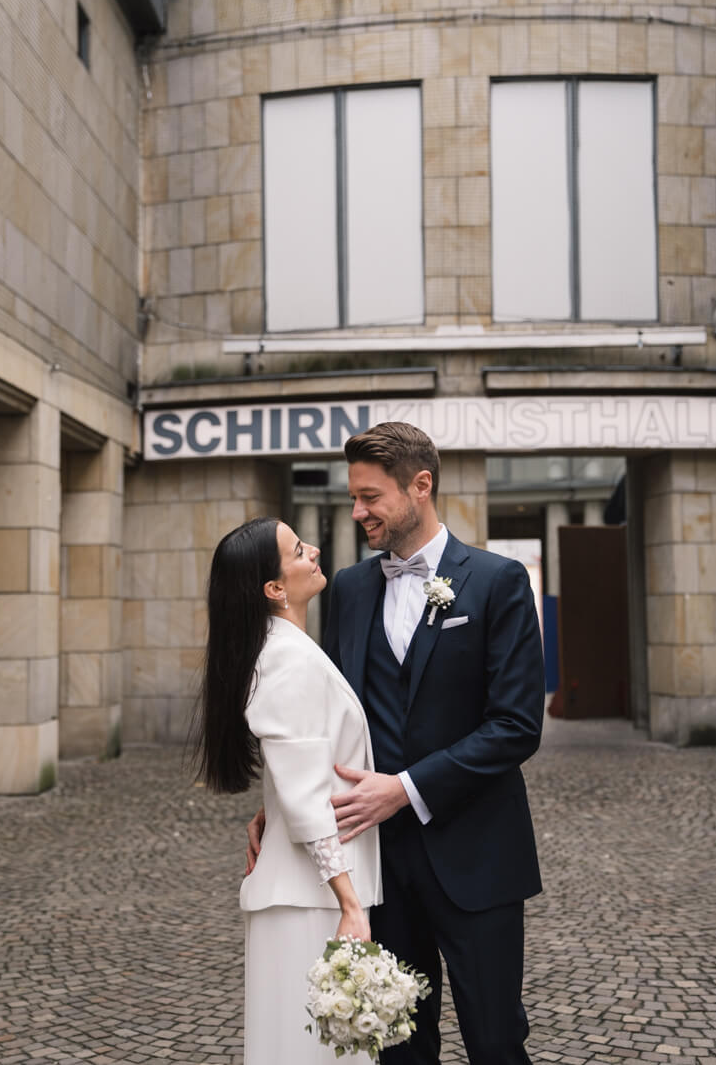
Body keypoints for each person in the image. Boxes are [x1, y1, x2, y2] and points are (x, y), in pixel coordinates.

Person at [250, 422, 544, 1064]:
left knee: (496, 1041)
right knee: (399, 1045)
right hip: (378, 861)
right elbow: (327, 718)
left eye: (371, 497)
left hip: (478, 855)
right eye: (353, 497)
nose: (357, 512)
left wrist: (406, 788)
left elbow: (518, 725)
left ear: (421, 486)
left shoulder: (498, 581)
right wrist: (280, 804)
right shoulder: (350, 589)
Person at [194, 516, 381, 1065]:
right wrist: (349, 905)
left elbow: (297, 772)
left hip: (307, 893)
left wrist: (269, 804)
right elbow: (305, 797)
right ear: (274, 589)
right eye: (299, 550)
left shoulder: (285, 649)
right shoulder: (287, 659)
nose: (315, 550)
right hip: (311, 898)